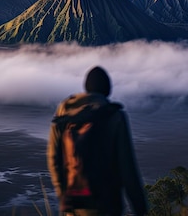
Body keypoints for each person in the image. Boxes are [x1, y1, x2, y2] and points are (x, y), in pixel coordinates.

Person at [47, 66, 148, 216]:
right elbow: (128, 168)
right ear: (108, 91)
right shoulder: (114, 116)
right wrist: (140, 209)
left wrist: (63, 195)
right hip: (107, 206)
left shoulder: (65, 110)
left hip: (74, 205)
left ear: (86, 88)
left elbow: (53, 157)